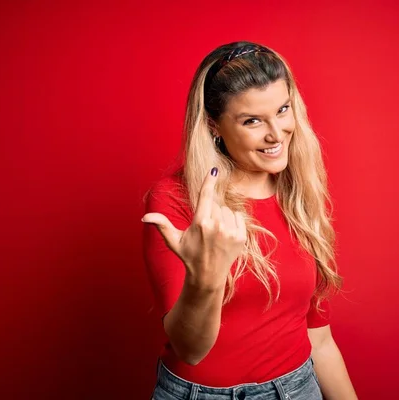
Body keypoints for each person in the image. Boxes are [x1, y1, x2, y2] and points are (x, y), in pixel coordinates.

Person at [142, 41, 357, 399]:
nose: (276, 133)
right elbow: (190, 349)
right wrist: (206, 275)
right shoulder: (176, 200)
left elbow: (318, 338)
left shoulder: (298, 191)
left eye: (283, 110)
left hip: (297, 388)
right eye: (252, 120)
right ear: (215, 126)